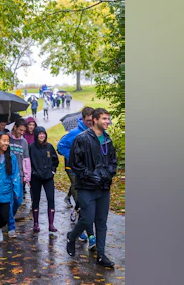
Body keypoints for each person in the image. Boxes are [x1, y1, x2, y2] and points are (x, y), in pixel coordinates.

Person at [65, 108, 118, 268]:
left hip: (103, 188)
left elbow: (113, 161)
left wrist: (107, 175)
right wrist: (90, 175)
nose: (107, 121)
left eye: (108, 119)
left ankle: (101, 256)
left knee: (101, 222)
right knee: (87, 219)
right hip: (87, 188)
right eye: (104, 119)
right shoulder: (82, 139)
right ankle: (72, 237)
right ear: (95, 120)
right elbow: (75, 163)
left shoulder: (107, 139)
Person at [57, 106, 96, 247]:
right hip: (75, 172)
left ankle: (79, 230)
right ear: (83, 119)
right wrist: (74, 158)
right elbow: (60, 146)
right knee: (84, 203)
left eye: (93, 120)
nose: (91, 123)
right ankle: (89, 235)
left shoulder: (96, 132)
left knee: (87, 204)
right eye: (88, 121)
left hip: (91, 174)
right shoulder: (74, 133)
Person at [28, 126, 59, 235]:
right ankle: (36, 223)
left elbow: (55, 160)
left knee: (51, 198)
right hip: (35, 177)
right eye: (40, 134)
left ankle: (51, 224)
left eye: (43, 134)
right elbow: (28, 162)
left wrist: (53, 171)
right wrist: (32, 172)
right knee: (36, 199)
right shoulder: (31, 147)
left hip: (48, 177)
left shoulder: (49, 147)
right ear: (36, 135)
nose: (42, 136)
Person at [7, 118, 31, 238]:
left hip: (20, 177)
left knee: (18, 201)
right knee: (10, 201)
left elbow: (26, 160)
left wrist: (27, 176)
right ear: (15, 127)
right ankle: (11, 227)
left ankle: (8, 217)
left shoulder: (24, 142)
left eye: (24, 131)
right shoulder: (6, 138)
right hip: (6, 175)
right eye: (20, 130)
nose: (22, 133)